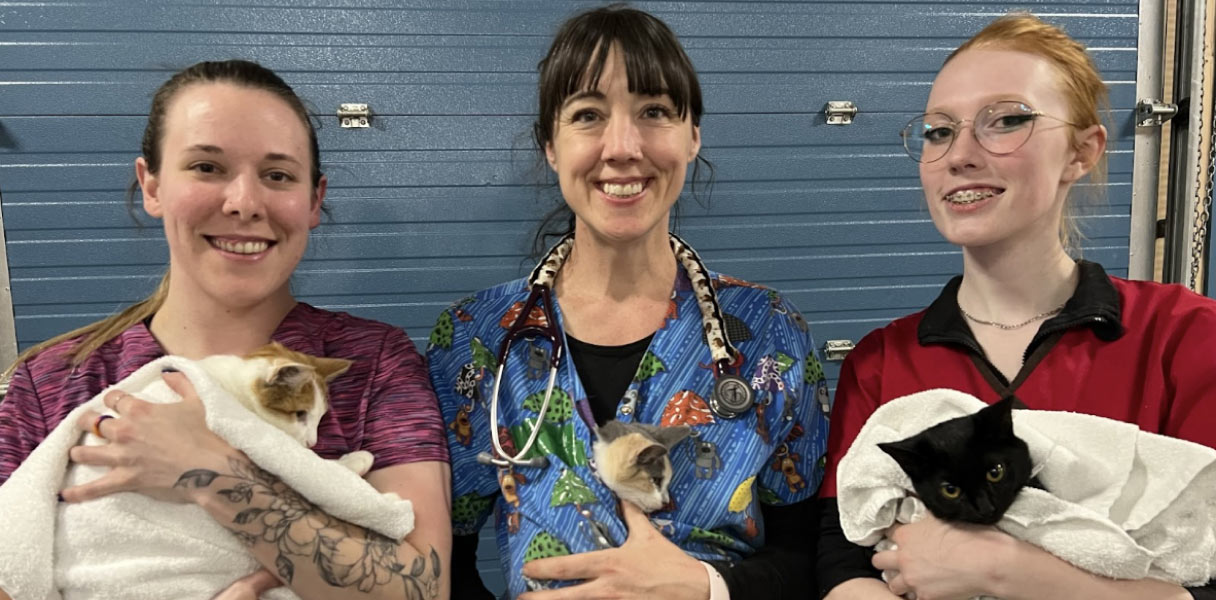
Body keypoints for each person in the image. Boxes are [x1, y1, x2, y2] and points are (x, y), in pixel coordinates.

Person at [0, 60, 451, 600]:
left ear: (313, 199)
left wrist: (209, 471)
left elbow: (422, 587)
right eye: (207, 167)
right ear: (152, 185)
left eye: (278, 175)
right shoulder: (53, 379)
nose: (243, 203)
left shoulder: (371, 362)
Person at [426, 5, 829, 600]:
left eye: (655, 112)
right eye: (588, 115)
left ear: (693, 136)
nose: (623, 146)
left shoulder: (769, 333)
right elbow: (443, 568)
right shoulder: (476, 337)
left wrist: (708, 587)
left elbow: (806, 556)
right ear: (550, 146)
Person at [815, 13, 1216, 600]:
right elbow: (842, 560)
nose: (960, 155)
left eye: (1006, 121)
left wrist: (1000, 570)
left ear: (1081, 152)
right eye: (937, 131)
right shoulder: (881, 364)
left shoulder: (1184, 340)